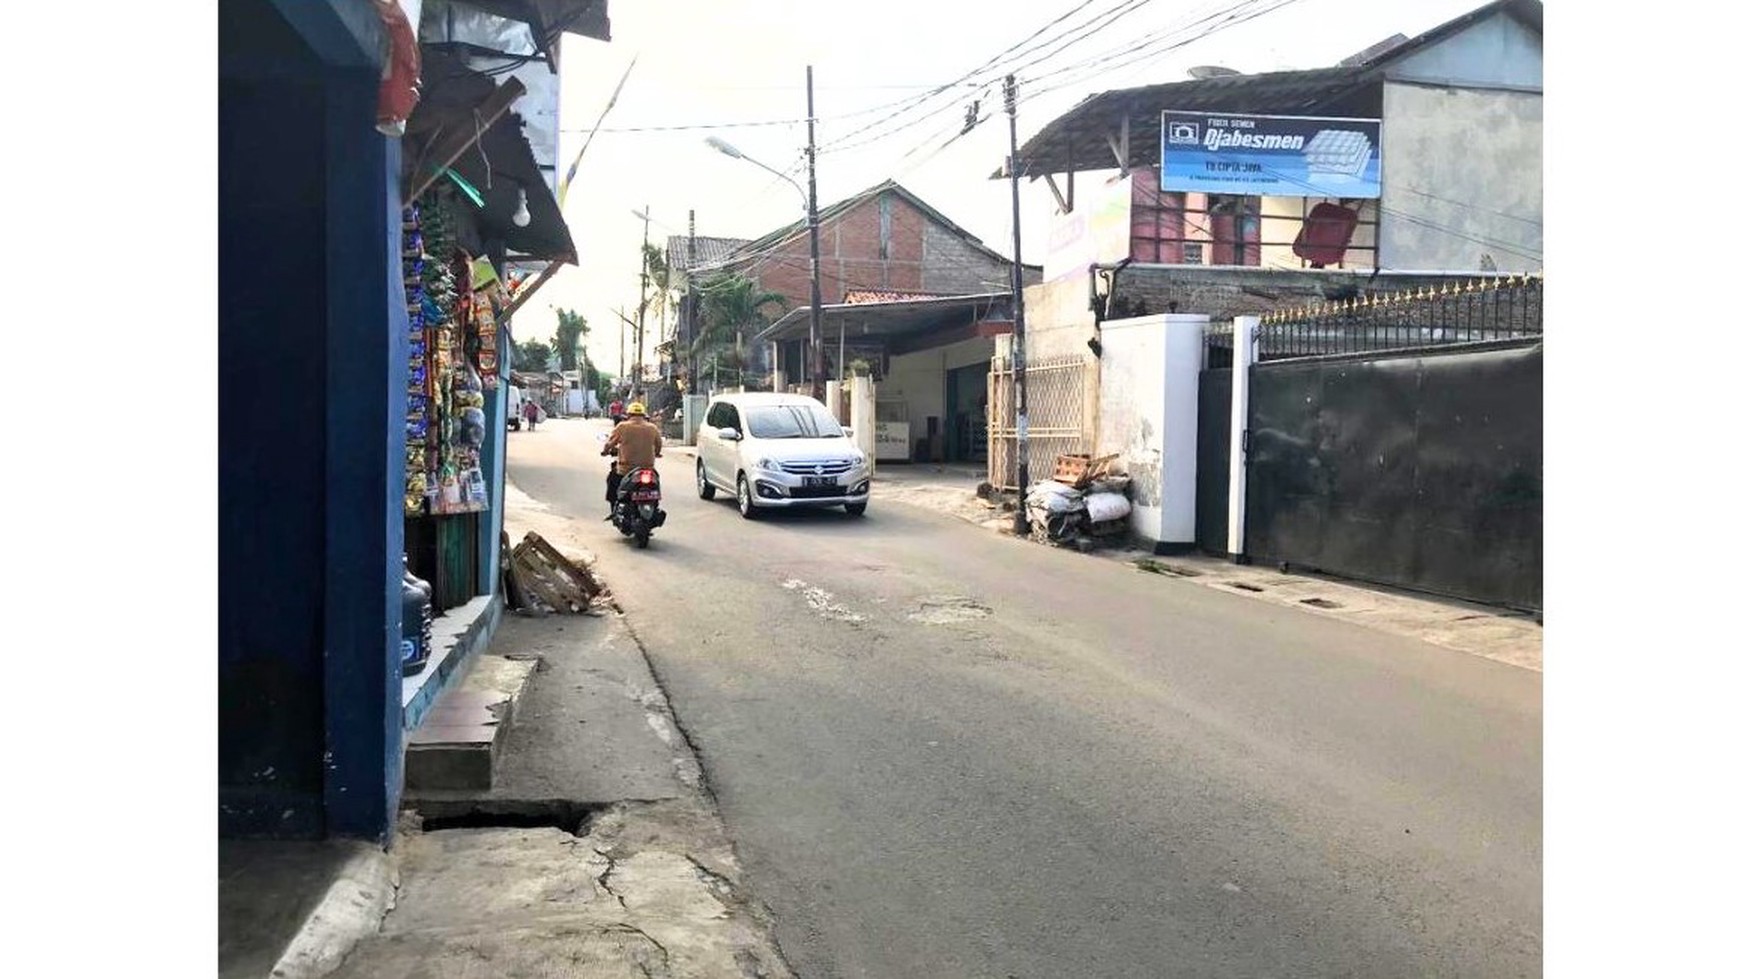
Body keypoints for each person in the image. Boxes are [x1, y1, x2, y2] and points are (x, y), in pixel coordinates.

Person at [601, 402, 662, 518]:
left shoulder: (622, 427)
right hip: (648, 468)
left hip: (626, 469)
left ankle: (614, 510)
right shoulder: (652, 428)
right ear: (644, 415)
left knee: (612, 480)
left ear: (628, 414)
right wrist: (657, 453)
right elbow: (658, 444)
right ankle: (655, 505)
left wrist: (605, 451)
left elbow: (610, 443)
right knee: (656, 480)